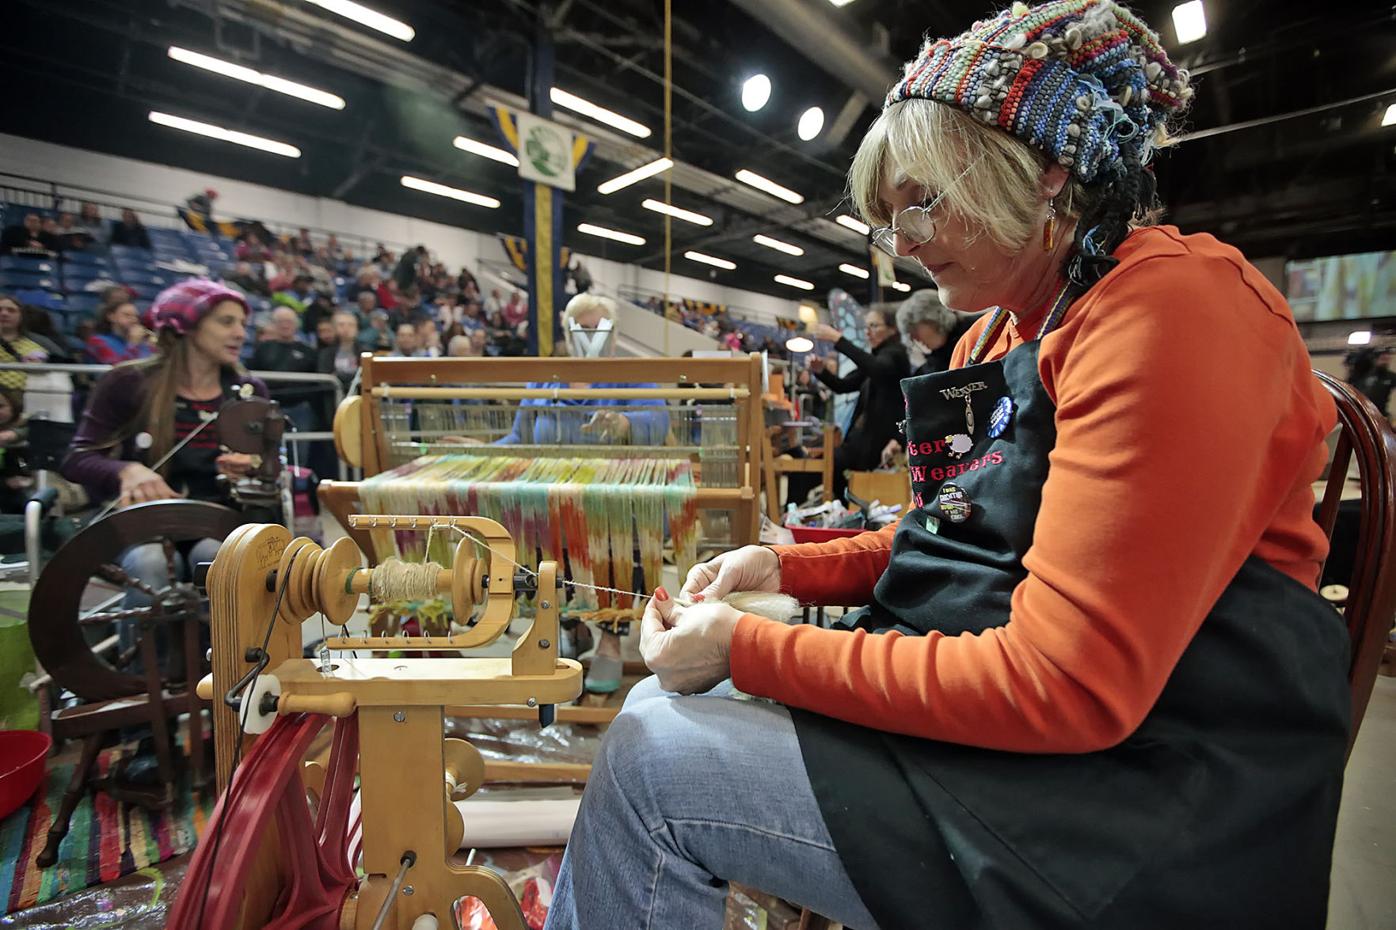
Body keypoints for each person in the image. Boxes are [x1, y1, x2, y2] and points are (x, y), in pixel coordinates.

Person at [545, 4, 1351, 930]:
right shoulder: (1007, 328)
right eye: (890, 222)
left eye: (921, 202)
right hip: (1050, 761)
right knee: (667, 711)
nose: (906, 244)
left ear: (1048, 169)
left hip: (1145, 804)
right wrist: (790, 568)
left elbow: (1071, 686)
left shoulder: (1172, 316)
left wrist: (747, 645)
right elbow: (968, 534)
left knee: (653, 758)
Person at [496, 294, 669, 694]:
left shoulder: (630, 376)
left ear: (613, 333)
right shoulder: (544, 380)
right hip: (554, 496)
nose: (590, 336)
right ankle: (569, 623)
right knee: (547, 555)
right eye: (583, 328)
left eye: (598, 328)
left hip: (613, 499)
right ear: (567, 331)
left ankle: (610, 638)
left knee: (622, 552)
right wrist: (475, 451)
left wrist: (625, 421)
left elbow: (659, 420)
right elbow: (519, 438)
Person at [808, 303, 910, 502]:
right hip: (861, 441)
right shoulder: (876, 358)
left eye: (874, 326)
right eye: (866, 327)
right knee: (829, 468)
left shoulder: (895, 355)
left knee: (835, 468)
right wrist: (821, 371)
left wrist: (838, 340)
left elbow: (878, 369)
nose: (868, 332)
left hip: (880, 443)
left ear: (892, 329)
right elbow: (843, 385)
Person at [0, 294, 64, 393]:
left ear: (21, 316)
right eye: (0, 309)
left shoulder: (40, 342)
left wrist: (43, 364)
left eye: (11, 310)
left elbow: (63, 365)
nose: (4, 313)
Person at [86, 297, 154, 364]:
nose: (134, 320)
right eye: (127, 315)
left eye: (136, 316)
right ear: (111, 317)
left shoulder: (143, 343)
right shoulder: (97, 341)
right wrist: (133, 344)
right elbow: (119, 371)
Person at [1350, 347, 1394, 418]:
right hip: (1362, 411)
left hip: (1380, 413)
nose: (1385, 362)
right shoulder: (1363, 374)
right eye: (1383, 359)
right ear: (1376, 359)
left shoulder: (1390, 376)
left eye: (1387, 360)